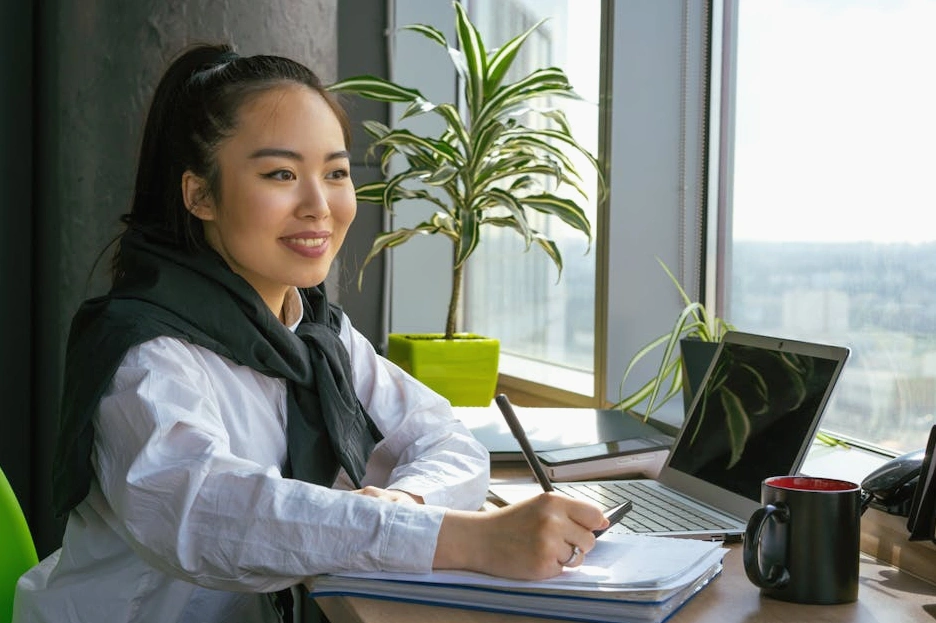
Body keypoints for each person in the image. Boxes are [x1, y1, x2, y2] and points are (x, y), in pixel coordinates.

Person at [12, 43, 608, 623]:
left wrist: (406, 504)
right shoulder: (146, 354)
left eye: (337, 172)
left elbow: (444, 438)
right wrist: (464, 539)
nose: (319, 205)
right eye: (280, 173)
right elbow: (212, 514)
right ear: (200, 195)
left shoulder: (313, 331)